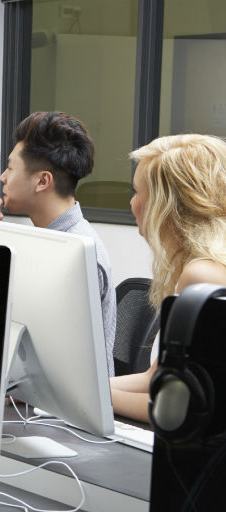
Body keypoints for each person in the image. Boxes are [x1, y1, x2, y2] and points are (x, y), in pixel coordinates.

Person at [0, 111, 117, 377]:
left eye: (10, 168)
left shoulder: (80, 253)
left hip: (63, 415)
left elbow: (72, 370)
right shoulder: (42, 242)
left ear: (42, 181)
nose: (3, 177)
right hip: (32, 401)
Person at [109, 134, 226, 422]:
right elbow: (155, 377)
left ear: (165, 205)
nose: (133, 203)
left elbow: (180, 410)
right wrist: (63, 390)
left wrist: (90, 397)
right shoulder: (201, 265)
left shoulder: (203, 276)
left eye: (137, 192)